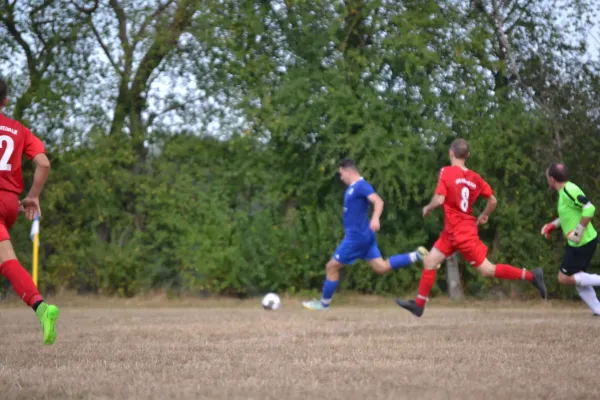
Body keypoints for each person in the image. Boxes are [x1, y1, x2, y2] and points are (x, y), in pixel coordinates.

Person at [396, 139, 547, 317]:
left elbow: (439, 199)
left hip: (462, 233)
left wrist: (427, 208)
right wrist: (484, 215)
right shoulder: (475, 178)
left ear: (450, 153)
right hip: (452, 232)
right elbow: (493, 200)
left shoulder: (447, 171)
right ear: (467, 156)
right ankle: (419, 305)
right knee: (429, 261)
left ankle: (531, 276)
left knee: (487, 270)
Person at [302, 159, 430, 311]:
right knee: (381, 267)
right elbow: (353, 215)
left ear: (348, 171)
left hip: (357, 238)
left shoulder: (361, 186)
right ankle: (416, 256)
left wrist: (375, 218)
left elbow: (378, 201)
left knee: (331, 267)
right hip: (362, 235)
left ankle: (324, 305)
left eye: (341, 174)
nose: (340, 177)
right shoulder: (352, 188)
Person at [0, 78, 59, 344]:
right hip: (10, 203)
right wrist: (33, 196)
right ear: (5, 101)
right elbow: (43, 164)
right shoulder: (19, 130)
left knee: (7, 260)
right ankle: (41, 308)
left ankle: (41, 307)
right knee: (6, 261)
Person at [541, 163, 600, 315]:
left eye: (548, 178)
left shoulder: (569, 190)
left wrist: (578, 231)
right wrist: (552, 225)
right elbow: (569, 215)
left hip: (582, 243)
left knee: (564, 278)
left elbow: (589, 208)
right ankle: (598, 309)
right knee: (578, 278)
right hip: (579, 242)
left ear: (552, 179)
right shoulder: (564, 192)